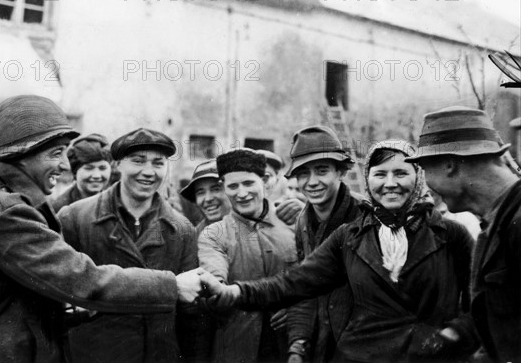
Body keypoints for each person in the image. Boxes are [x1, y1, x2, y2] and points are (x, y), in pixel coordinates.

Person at [0, 95, 208, 363]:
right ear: (21, 155)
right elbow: (83, 279)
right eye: (55, 153)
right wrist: (172, 285)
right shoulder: (9, 213)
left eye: (158, 162)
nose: (65, 165)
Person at [205, 141, 480, 363]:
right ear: (368, 179)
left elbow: (481, 304)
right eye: (380, 174)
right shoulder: (351, 236)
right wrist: (236, 292)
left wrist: (453, 334)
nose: (390, 183)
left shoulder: (452, 235)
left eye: (401, 173)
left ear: (418, 176)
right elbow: (295, 282)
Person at [58, 128, 205, 363]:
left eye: (158, 163)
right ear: (117, 165)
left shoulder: (182, 228)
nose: (148, 172)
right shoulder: (74, 218)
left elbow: (190, 316)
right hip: (93, 354)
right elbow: (63, 295)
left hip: (158, 354)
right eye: (138, 161)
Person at [405, 106, 520, 363]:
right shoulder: (498, 220)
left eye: (424, 169)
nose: (425, 185)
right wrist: (457, 334)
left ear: (449, 164)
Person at [199, 149, 297, 363]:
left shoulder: (295, 224)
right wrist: (216, 289)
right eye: (232, 186)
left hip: (291, 347)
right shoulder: (214, 234)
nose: (241, 193)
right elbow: (214, 279)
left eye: (248, 183)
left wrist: (297, 309)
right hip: (237, 348)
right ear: (224, 188)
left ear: (264, 182)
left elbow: (318, 277)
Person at [283, 126, 364, 363]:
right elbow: (304, 286)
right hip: (318, 344)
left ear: (340, 171)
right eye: (303, 173)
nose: (312, 182)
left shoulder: (366, 217)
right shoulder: (302, 221)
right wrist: (297, 344)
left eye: (321, 171)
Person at [51, 133, 112, 212]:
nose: (97, 175)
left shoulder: (120, 200)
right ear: (75, 172)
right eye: (89, 168)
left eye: (102, 168)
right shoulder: (60, 208)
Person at [179, 159, 231, 235]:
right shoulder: (193, 240)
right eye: (201, 192)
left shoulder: (251, 229)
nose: (208, 199)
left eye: (216, 189)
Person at [258, 149, 305, 226]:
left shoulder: (284, 214)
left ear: (277, 180)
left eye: (267, 176)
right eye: (255, 176)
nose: (261, 181)